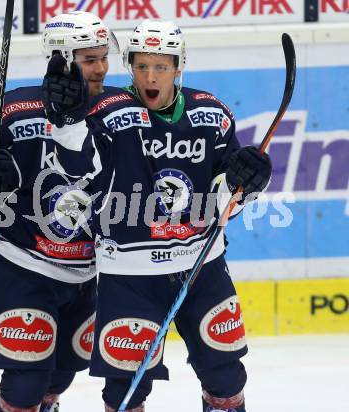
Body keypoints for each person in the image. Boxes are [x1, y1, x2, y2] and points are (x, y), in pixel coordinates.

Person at [44, 20, 272, 412]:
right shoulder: (104, 113)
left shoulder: (211, 114)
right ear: (130, 66)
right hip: (129, 274)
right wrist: (66, 122)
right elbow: (76, 165)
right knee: (126, 389)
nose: (151, 76)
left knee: (225, 374)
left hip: (202, 267)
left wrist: (247, 181)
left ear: (179, 67)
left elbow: (226, 196)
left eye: (161, 67)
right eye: (142, 66)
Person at [0, 11, 119, 412]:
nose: (101, 68)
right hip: (22, 262)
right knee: (26, 380)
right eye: (89, 59)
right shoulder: (14, 108)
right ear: (60, 59)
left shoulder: (120, 109)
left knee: (62, 373)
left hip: (90, 267)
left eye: (102, 57)